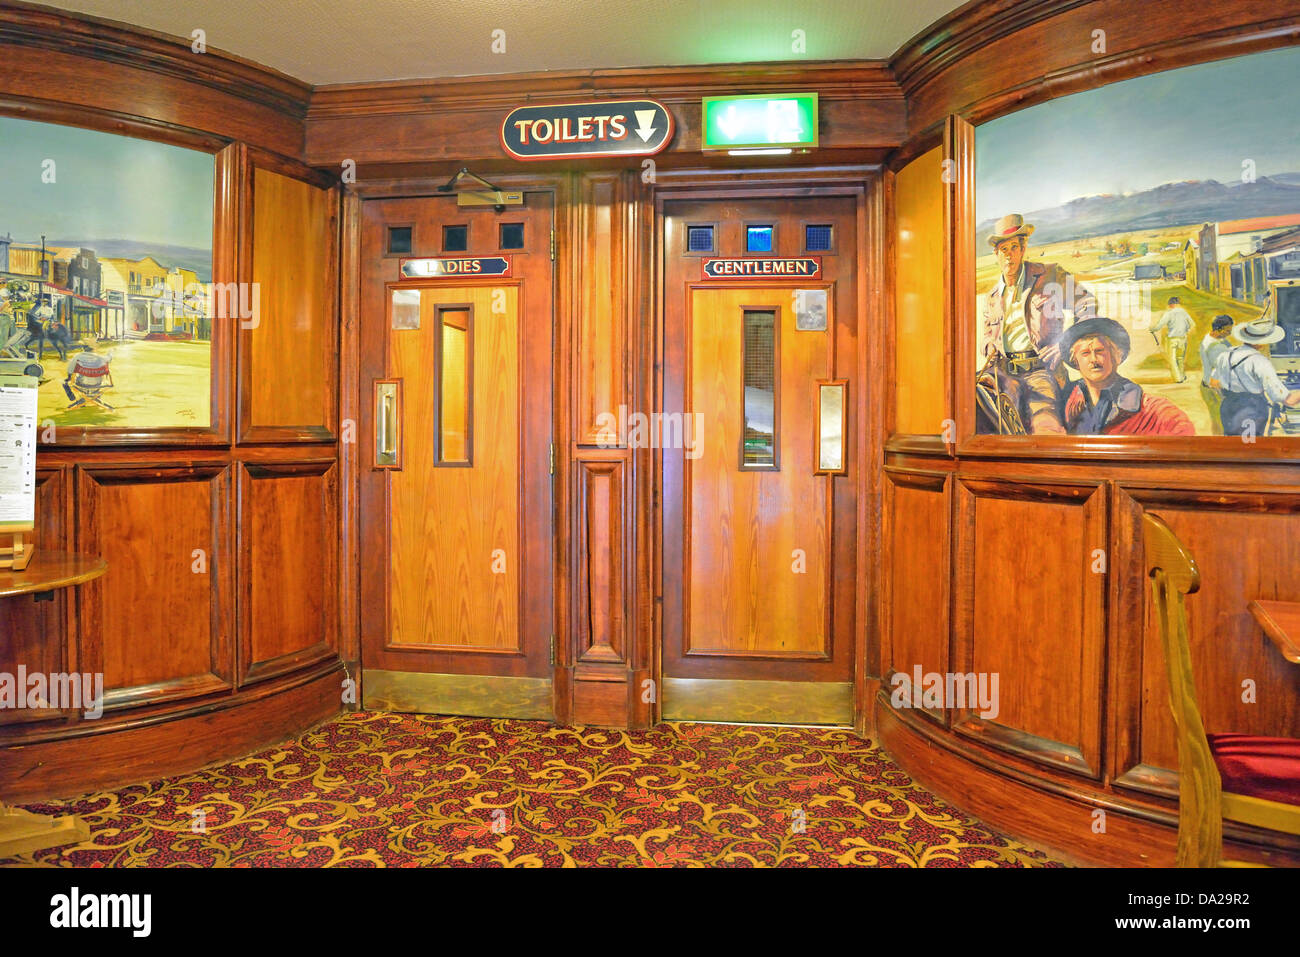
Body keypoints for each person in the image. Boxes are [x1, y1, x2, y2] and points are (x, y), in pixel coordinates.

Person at [978, 213, 1097, 433]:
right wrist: (988, 347)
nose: (1009, 255)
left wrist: (1067, 343)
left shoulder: (1049, 275)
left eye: (1014, 247)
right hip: (1003, 374)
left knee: (1046, 426)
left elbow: (1087, 302)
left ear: (1023, 249)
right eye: (1004, 249)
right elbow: (986, 337)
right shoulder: (993, 296)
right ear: (996, 253)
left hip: (1041, 371)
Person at [1058, 317, 1195, 436]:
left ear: (1117, 356)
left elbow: (1180, 429)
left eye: (1100, 351)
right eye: (1085, 353)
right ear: (1075, 362)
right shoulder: (1068, 401)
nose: (1093, 359)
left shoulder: (1150, 409)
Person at [1210, 316, 1300, 437]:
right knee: (1250, 448)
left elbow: (1213, 381)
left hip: (1227, 407)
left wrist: (1233, 389)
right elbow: (1288, 400)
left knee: (1233, 447)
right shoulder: (1260, 361)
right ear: (1262, 343)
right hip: (1251, 410)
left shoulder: (1226, 354)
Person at [1198, 314, 1234, 435]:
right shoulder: (1216, 348)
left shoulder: (1209, 338)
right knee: (1221, 422)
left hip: (1207, 385)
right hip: (1214, 389)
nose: (1229, 333)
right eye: (1227, 331)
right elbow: (1222, 368)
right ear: (1218, 329)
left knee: (1217, 421)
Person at [1151, 295, 1193, 382]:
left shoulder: (1168, 313)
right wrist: (1186, 330)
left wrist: (1152, 329)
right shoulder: (1184, 312)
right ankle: (1182, 375)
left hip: (1172, 339)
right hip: (1183, 338)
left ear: (1170, 304)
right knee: (1180, 358)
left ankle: (1178, 378)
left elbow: (1159, 325)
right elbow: (1192, 324)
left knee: (1172, 359)